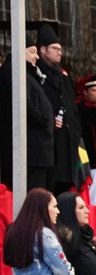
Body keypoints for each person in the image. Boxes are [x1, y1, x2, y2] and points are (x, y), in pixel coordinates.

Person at [36, 24, 84, 196]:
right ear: (43, 50)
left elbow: (73, 109)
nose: (59, 52)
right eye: (55, 48)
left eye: (60, 49)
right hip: (50, 145)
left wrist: (76, 131)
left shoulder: (63, 76)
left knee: (64, 193)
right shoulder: (37, 73)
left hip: (67, 144)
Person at [0, 39, 54, 190]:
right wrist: (43, 120)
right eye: (32, 52)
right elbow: (21, 102)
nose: (36, 57)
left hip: (37, 151)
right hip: (31, 151)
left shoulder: (26, 72)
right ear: (18, 51)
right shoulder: (13, 71)